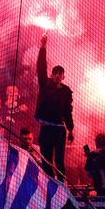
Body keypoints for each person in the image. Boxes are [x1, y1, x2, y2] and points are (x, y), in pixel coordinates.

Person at [35, 34, 74, 180]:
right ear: (52, 75)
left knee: (59, 159)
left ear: (63, 76)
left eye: (60, 74)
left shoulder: (66, 91)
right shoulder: (45, 85)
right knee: (46, 159)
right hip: (46, 127)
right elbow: (41, 67)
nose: (57, 76)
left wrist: (70, 129)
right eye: (55, 73)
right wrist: (43, 47)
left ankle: (62, 184)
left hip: (59, 129)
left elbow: (68, 111)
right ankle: (50, 184)